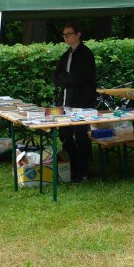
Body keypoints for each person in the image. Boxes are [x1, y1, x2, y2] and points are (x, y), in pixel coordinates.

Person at [52, 22, 96, 183]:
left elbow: (78, 78)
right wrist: (65, 80)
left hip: (82, 103)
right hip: (65, 103)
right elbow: (56, 77)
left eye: (69, 34)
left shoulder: (85, 54)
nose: (66, 37)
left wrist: (65, 79)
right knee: (64, 134)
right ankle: (72, 165)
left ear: (78, 34)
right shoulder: (66, 55)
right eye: (64, 35)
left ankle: (83, 170)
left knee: (81, 136)